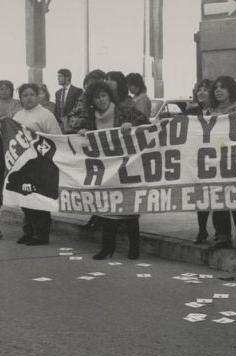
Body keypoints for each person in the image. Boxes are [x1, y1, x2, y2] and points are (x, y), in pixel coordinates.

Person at [78, 80, 149, 259]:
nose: (101, 100)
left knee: (129, 208)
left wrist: (132, 126)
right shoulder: (90, 116)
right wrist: (82, 131)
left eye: (104, 96)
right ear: (92, 100)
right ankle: (107, 248)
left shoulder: (125, 111)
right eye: (97, 97)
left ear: (110, 97)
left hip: (127, 166)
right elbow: (76, 128)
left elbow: (147, 125)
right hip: (105, 170)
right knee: (106, 208)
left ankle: (134, 248)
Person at [8, 83, 63, 246]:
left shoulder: (45, 114)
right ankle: (29, 231)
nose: (29, 98)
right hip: (24, 164)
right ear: (21, 98)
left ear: (38, 96)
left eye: (32, 94)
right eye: (25, 95)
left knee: (39, 199)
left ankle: (41, 235)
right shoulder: (17, 116)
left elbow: (56, 137)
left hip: (43, 163)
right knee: (25, 198)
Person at [207, 75, 236, 257]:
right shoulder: (210, 111)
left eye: (223, 87)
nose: (218, 90)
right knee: (218, 201)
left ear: (231, 90)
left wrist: (222, 119)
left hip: (235, 162)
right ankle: (223, 237)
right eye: (216, 88)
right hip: (215, 162)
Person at [187, 79, 215, 243]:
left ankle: (221, 233)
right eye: (199, 90)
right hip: (197, 159)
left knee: (218, 196)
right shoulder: (191, 112)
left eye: (205, 89)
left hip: (217, 158)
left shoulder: (219, 111)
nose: (201, 92)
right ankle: (202, 230)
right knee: (201, 196)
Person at [54, 68, 83, 133]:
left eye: (60, 76)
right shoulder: (57, 93)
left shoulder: (77, 91)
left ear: (67, 78)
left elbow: (78, 109)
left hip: (72, 127)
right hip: (60, 128)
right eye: (58, 76)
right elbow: (56, 111)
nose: (58, 78)